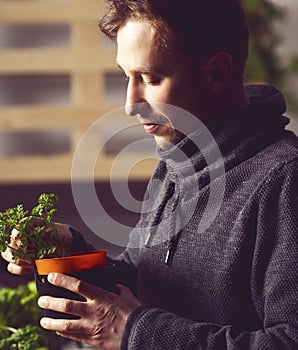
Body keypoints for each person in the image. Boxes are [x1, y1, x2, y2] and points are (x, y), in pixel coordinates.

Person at [2, 0, 298, 349]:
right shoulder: (176, 160)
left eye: (152, 78)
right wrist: (72, 251)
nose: (131, 103)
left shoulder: (284, 180)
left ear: (216, 72)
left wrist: (135, 334)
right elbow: (146, 279)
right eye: (126, 77)